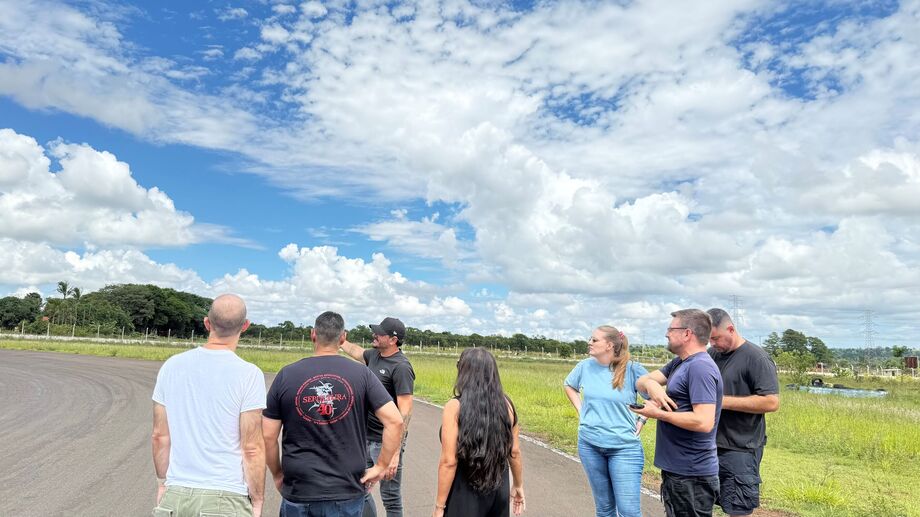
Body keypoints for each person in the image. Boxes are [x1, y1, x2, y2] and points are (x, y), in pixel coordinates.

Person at [263, 311, 404, 517]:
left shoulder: (286, 374)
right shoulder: (362, 374)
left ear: (313, 335)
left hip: (299, 489)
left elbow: (268, 435)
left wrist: (277, 474)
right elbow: (395, 421)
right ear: (343, 337)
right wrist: (380, 466)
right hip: (346, 489)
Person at [151, 294, 266, 517]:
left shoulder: (171, 366)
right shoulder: (249, 374)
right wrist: (258, 498)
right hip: (226, 497)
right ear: (245, 326)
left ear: (207, 323)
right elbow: (251, 447)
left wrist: (163, 483)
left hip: (176, 495)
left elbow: (159, 436)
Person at [632, 309, 723, 517]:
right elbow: (641, 382)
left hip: (691, 473)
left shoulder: (700, 367)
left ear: (687, 334)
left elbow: (704, 422)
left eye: (671, 329)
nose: (666, 334)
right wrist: (653, 386)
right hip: (679, 470)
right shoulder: (681, 362)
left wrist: (659, 414)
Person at [564, 325, 649, 517]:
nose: (589, 343)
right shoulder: (584, 366)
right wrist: (581, 410)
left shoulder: (633, 369)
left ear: (609, 345)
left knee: (629, 512)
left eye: (594, 340)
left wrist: (642, 419)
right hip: (589, 445)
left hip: (624, 448)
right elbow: (569, 385)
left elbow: (654, 397)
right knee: (604, 509)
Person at [433, 347, 525, 517]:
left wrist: (439, 506)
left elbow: (448, 461)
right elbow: (514, 451)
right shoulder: (507, 405)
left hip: (464, 493)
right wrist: (518, 485)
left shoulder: (455, 407)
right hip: (499, 491)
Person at [706, 308, 780, 517]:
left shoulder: (756, 358)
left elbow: (771, 402)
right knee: (704, 504)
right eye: (709, 339)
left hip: (741, 449)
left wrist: (720, 402)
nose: (713, 343)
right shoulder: (712, 354)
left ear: (731, 329)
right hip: (711, 445)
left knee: (738, 509)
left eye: (716, 338)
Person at [340, 317, 416, 517]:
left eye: (380, 333)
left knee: (390, 497)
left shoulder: (401, 367)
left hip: (385, 441)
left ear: (393, 339)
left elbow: (406, 410)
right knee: (360, 488)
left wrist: (395, 452)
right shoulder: (374, 355)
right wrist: (340, 341)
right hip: (363, 437)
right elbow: (356, 351)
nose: (374, 335)